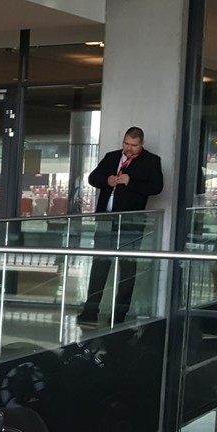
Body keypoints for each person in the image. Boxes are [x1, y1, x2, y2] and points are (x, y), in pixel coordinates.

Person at [80, 126, 163, 328]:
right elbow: (92, 178)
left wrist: (130, 182)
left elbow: (156, 187)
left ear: (141, 144)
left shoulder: (151, 161)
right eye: (126, 143)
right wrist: (107, 181)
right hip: (105, 220)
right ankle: (90, 311)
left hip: (131, 222)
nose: (129, 148)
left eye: (133, 145)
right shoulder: (111, 157)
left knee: (127, 268)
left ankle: (119, 314)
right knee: (99, 265)